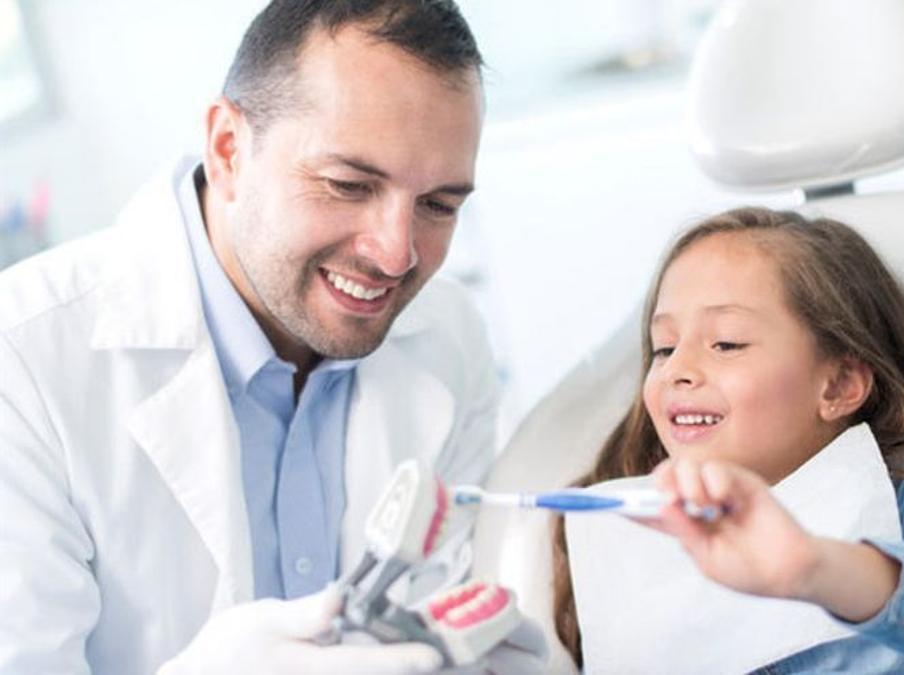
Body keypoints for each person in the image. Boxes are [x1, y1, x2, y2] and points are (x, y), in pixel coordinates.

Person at [0, 2, 540, 673]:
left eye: (438, 205)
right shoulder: (20, 366)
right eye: (349, 184)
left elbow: (450, 606)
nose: (397, 253)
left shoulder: (448, 335)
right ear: (228, 148)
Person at [551, 207, 904, 672]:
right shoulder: (630, 522)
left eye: (727, 343)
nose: (677, 371)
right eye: (664, 348)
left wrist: (814, 567)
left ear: (837, 384)